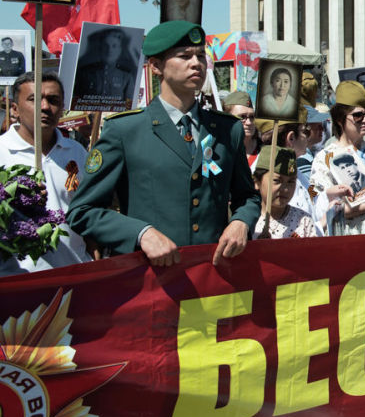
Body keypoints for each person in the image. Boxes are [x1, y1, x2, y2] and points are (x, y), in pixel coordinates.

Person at [67, 20, 261, 266]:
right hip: (152, 281)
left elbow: (248, 197)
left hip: (212, 276)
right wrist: (141, 233)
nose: (196, 63)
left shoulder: (226, 129)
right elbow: (83, 211)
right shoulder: (125, 130)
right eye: (185, 56)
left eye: (201, 55)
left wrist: (240, 222)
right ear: (156, 66)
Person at [0, 72, 91, 273]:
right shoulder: (1, 152)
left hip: (74, 271)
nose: (45, 107)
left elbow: (88, 208)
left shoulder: (76, 152)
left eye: (53, 100)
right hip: (17, 277)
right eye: (34, 99)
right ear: (14, 109)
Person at [311, 81, 365, 236]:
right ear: (340, 119)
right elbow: (322, 205)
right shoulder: (324, 158)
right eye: (358, 116)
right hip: (349, 240)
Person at [252, 146, 317, 239]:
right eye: (277, 181)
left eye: (291, 182)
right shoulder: (247, 220)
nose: (285, 189)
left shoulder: (304, 221)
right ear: (257, 182)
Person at [74, 28, 137, 105]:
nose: (109, 50)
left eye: (114, 46)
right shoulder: (85, 73)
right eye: (106, 45)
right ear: (100, 48)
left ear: (120, 49)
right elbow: (76, 100)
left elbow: (129, 104)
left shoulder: (126, 75)